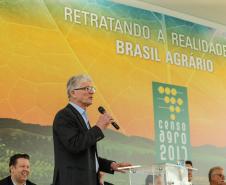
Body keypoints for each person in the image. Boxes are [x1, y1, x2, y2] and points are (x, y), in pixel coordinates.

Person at [52, 74, 131, 185]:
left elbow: (86, 156)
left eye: (92, 89)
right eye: (86, 88)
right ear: (73, 93)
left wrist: (111, 165)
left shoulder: (82, 116)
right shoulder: (64, 115)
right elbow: (74, 145)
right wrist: (98, 127)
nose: (92, 92)